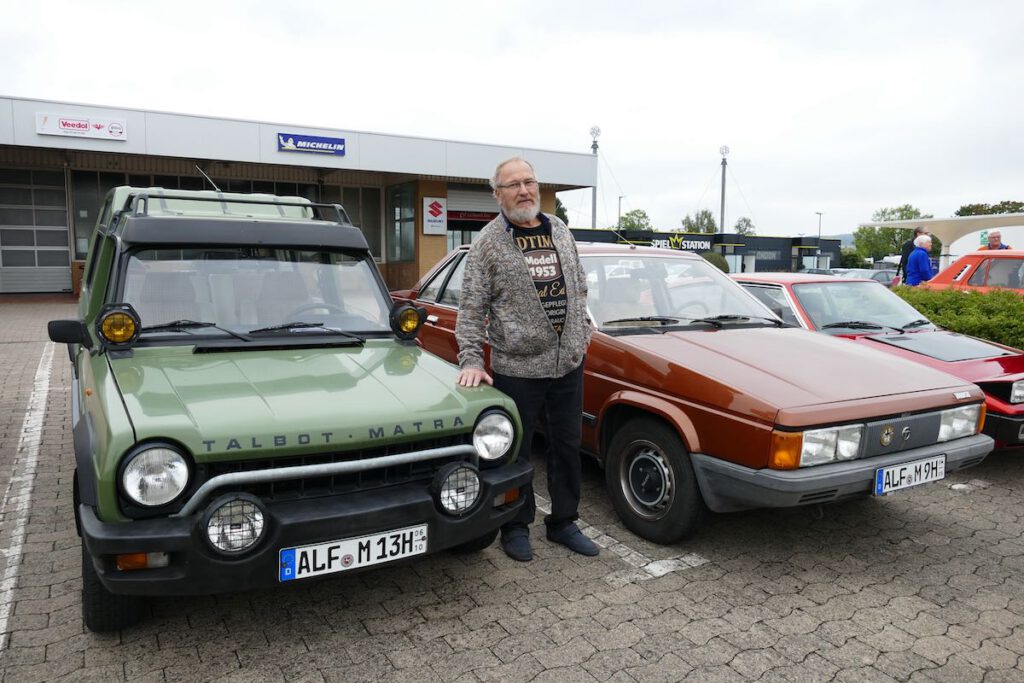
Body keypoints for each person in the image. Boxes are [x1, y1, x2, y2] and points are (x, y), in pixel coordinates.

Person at [454, 156, 597, 562]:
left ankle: (564, 522)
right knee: (515, 452)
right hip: (517, 368)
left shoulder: (560, 230)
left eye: (529, 182)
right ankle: (515, 525)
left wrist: (582, 334)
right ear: (497, 195)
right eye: (513, 185)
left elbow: (579, 286)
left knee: (567, 447)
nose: (523, 191)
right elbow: (471, 308)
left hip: (568, 364)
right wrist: (471, 360)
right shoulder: (488, 243)